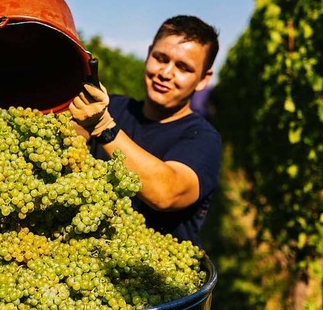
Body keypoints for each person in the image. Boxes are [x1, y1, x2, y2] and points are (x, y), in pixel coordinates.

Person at [68, 15, 221, 247]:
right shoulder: (115, 107)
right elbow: (68, 143)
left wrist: (103, 127)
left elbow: (166, 192)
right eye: (161, 58)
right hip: (92, 260)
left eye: (183, 68)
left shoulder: (203, 139)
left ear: (203, 79)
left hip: (159, 274)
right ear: (149, 53)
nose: (166, 73)